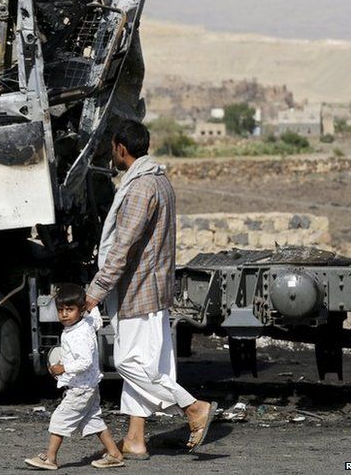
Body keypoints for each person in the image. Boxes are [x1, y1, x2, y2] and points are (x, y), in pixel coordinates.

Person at [84, 119, 216, 459]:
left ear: (121, 149)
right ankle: (135, 440)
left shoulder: (141, 188)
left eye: (113, 148)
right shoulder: (159, 181)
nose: (111, 154)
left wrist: (96, 290)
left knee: (128, 361)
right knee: (143, 364)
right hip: (153, 289)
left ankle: (192, 407)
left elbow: (122, 247)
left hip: (139, 290)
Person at [25, 284, 125, 470]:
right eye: (60, 310)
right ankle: (114, 453)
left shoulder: (77, 334)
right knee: (93, 420)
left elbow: (85, 362)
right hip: (89, 386)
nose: (64, 314)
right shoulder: (87, 323)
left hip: (80, 388)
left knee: (59, 419)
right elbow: (97, 320)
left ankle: (50, 458)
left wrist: (63, 368)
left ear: (80, 309)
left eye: (69, 310)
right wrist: (92, 305)